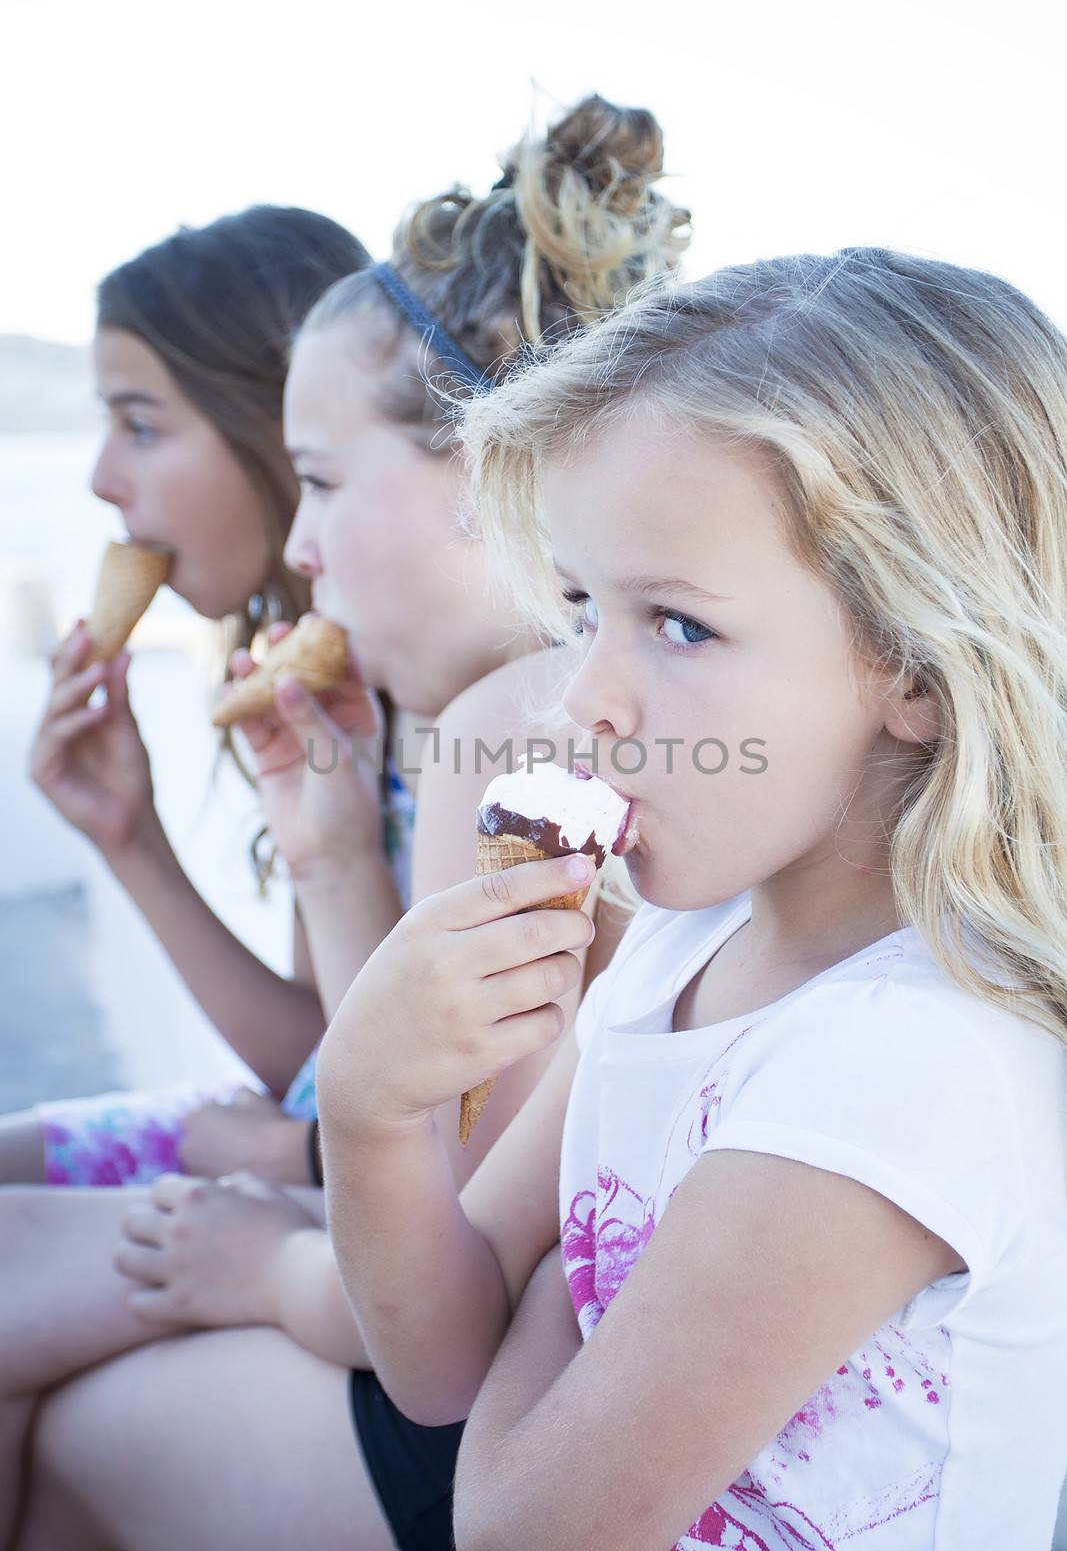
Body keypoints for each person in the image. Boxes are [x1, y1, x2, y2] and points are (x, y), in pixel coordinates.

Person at [5, 94, 690, 1551]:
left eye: (321, 482)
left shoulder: (513, 727)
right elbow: (381, 1098)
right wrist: (312, 848)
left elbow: (433, 1223)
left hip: (466, 1412)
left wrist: (263, 1208)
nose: (305, 549)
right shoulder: (484, 712)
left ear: (490, 475)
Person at [309, 248, 1067, 1549]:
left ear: (919, 670)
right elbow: (438, 1363)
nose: (578, 696)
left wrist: (555, 1277)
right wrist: (373, 1113)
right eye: (579, 610)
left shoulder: (901, 1061)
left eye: (674, 625)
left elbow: (517, 1527)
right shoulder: (677, 940)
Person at [11, 205, 373, 1189]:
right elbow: (316, 1055)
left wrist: (275, 1155)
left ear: (282, 427)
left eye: (139, 425)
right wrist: (126, 832)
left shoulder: (414, 697)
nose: (97, 480)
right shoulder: (296, 680)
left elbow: (396, 1119)